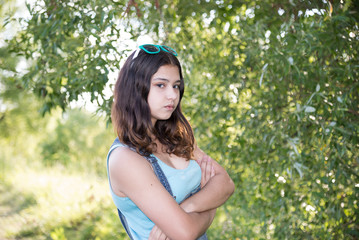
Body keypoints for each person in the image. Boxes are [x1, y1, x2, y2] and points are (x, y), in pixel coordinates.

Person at [107, 44, 235, 240]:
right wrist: (211, 203)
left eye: (176, 85)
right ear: (135, 88)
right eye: (161, 85)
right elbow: (185, 233)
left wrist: (187, 207)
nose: (173, 95)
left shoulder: (176, 137)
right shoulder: (125, 159)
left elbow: (226, 184)